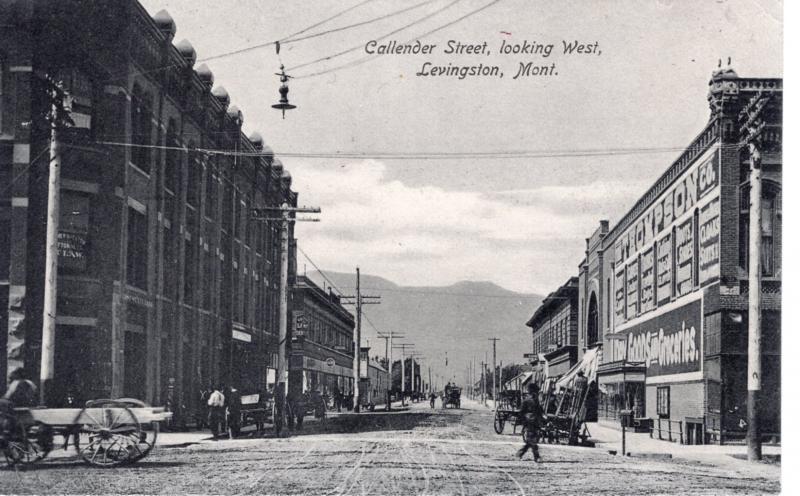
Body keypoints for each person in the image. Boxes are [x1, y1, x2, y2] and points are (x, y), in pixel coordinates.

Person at [516, 382, 544, 462]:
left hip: (534, 421)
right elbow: (521, 412)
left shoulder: (535, 400)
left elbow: (539, 410)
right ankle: (536, 457)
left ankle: (520, 454)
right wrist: (524, 421)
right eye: (535, 392)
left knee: (531, 440)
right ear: (532, 392)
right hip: (529, 421)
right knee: (532, 440)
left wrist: (542, 418)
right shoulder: (527, 401)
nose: (537, 394)